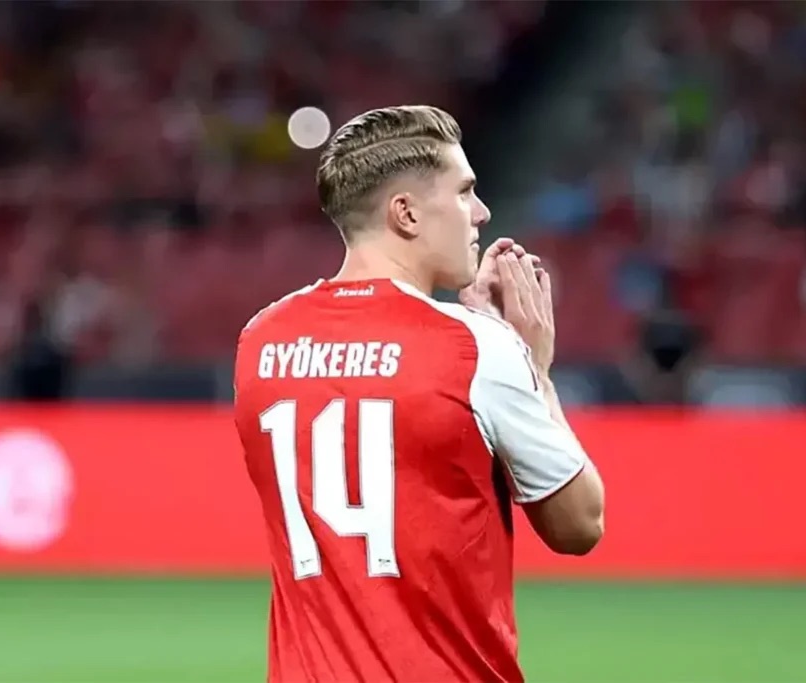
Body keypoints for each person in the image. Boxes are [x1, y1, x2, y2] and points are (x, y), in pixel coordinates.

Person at [233, 105, 605, 683]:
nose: (480, 212)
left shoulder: (262, 340)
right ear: (405, 213)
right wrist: (536, 369)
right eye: (464, 192)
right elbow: (580, 524)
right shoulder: (475, 347)